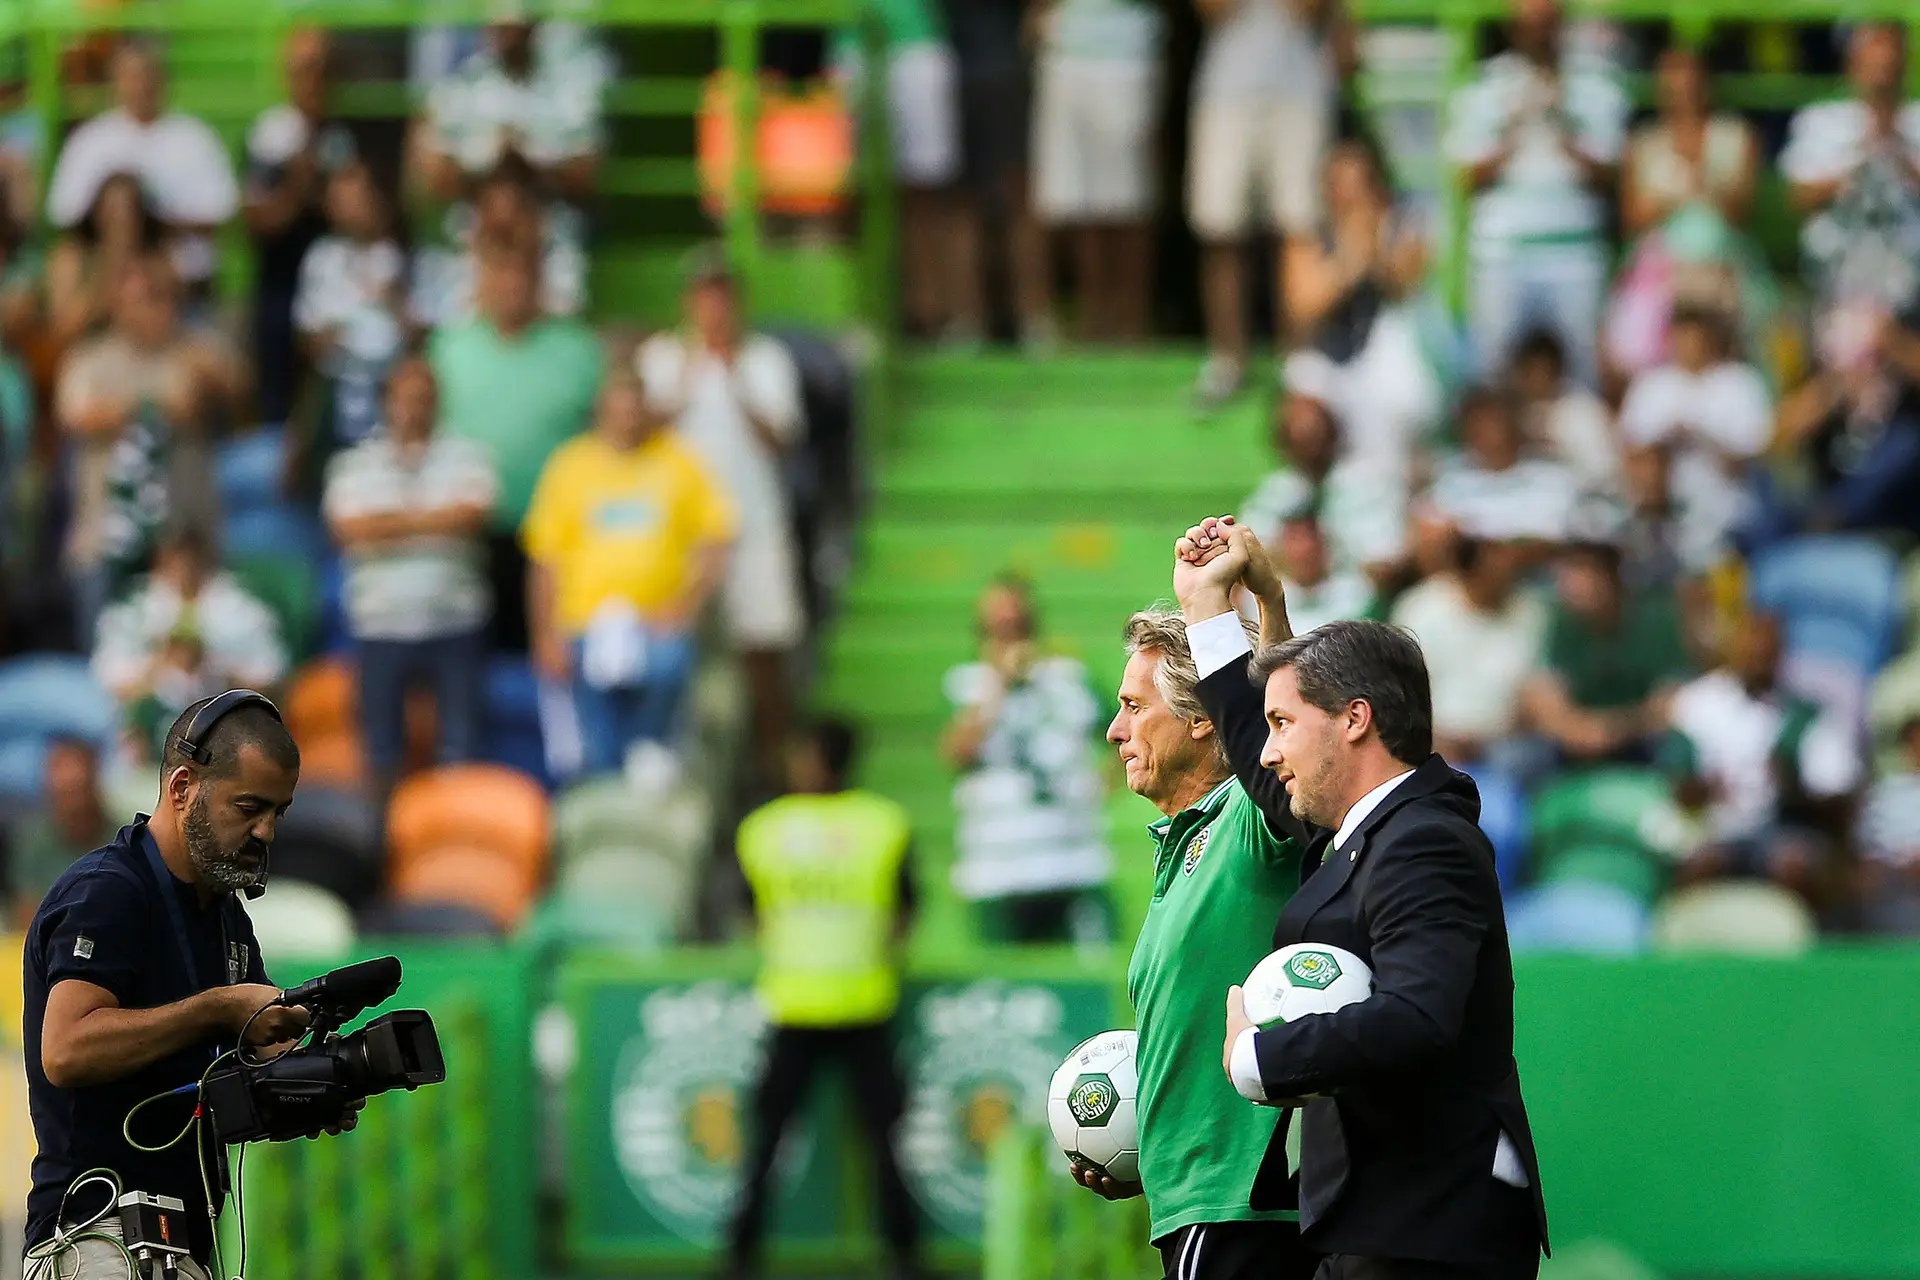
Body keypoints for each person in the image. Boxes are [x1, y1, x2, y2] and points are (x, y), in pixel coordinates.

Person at [1177, 517, 1548, 1278]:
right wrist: (1208, 615)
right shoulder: (1365, 829)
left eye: (1284, 723)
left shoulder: (1423, 840)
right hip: (1387, 1221)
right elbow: (1261, 760)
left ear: (1355, 719)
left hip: (1430, 1229)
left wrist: (1261, 1057)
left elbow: (1420, 1015)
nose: (1269, 748)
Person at [23, 693, 357, 1278]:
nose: (266, 832)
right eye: (249, 807)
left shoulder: (225, 914)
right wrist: (221, 1008)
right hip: (95, 1237)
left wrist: (313, 1080)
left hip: (183, 1244)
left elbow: (229, 1071)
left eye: (279, 812)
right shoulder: (107, 892)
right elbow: (66, 1049)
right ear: (183, 789)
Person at [1077, 588, 1317, 1277]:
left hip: (1241, 1208)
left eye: (1133, 707)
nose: (1114, 732)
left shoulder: (1249, 819)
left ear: (1205, 721)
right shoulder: (1183, 846)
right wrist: (1145, 1149)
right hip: (1201, 1204)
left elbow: (1289, 726)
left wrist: (1252, 597)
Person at [724, 719, 922, 1280]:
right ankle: (906, 1259)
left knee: (768, 1142)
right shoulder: (884, 823)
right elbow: (906, 912)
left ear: (810, 757)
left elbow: (748, 913)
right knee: (883, 1142)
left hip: (798, 1004)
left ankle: (738, 1258)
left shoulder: (764, 828)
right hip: (863, 1002)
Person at [637, 259, 806, 789]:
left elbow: (783, 441)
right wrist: (690, 376)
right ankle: (694, 778)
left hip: (754, 527)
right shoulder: (661, 357)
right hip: (679, 536)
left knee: (764, 653)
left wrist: (734, 378)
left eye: (722, 296)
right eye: (703, 296)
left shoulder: (766, 359)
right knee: (681, 661)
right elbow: (640, 436)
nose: (713, 308)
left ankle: (770, 766)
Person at [522, 370, 735, 788]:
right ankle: (602, 782)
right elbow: (544, 558)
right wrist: (544, 633)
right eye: (617, 412)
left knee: (669, 664)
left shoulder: (679, 461)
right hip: (583, 622)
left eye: (634, 411)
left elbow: (717, 539)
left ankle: (649, 752)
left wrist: (687, 605)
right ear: (600, 413)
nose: (627, 421)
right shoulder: (569, 465)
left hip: (655, 622)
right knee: (593, 725)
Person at [323, 357, 498, 801]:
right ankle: (382, 851)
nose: (414, 408)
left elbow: (474, 516)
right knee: (381, 751)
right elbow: (350, 529)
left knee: (460, 745)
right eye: (405, 398)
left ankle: (453, 834)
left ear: (438, 403)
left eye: (424, 398)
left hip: (455, 621)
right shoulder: (354, 464)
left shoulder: (468, 455)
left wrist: (390, 523)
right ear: (386, 403)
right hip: (382, 624)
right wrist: (435, 519)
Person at [1445, 0, 1626, 384]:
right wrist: (1513, 126)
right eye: (1530, 24)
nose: (1539, 34)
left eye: (1547, 23)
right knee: (1494, 373)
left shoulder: (1595, 85)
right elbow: (1468, 177)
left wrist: (1562, 122)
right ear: (1513, 28)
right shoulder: (1485, 86)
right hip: (1502, 255)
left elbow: (1607, 176)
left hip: (1574, 255)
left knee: (1580, 373)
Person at [1188, 0, 1353, 409]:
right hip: (1225, 91)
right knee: (1220, 231)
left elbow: (1309, 10)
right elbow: (1212, 10)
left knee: (1299, 231)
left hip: (1301, 89)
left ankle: (1297, 363)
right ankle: (1228, 359)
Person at [941, 577, 1113, 945]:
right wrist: (997, 686)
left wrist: (1102, 786)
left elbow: (1121, 732)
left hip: (1072, 859)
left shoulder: (1070, 677)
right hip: (996, 866)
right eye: (999, 629)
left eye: (1018, 627)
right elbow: (957, 753)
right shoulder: (964, 684)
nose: (1009, 638)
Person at [45, 42, 239, 297]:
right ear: (114, 82)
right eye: (130, 77)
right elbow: (66, 216)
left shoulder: (196, 138)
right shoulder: (90, 139)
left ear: (164, 81)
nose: (140, 86)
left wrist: (151, 222)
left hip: (179, 275)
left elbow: (220, 216)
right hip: (102, 267)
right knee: (68, 260)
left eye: (147, 76)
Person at [244, 28, 358, 423]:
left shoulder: (344, 137)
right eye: (306, 70)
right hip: (283, 283)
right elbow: (260, 221)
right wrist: (301, 177)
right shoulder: (270, 135)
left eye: (323, 70)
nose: (315, 81)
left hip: (335, 285)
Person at [7, 738, 117, 929]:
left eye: (80, 791)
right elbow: (26, 917)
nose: (75, 806)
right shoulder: (33, 843)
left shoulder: (127, 838)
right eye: (65, 795)